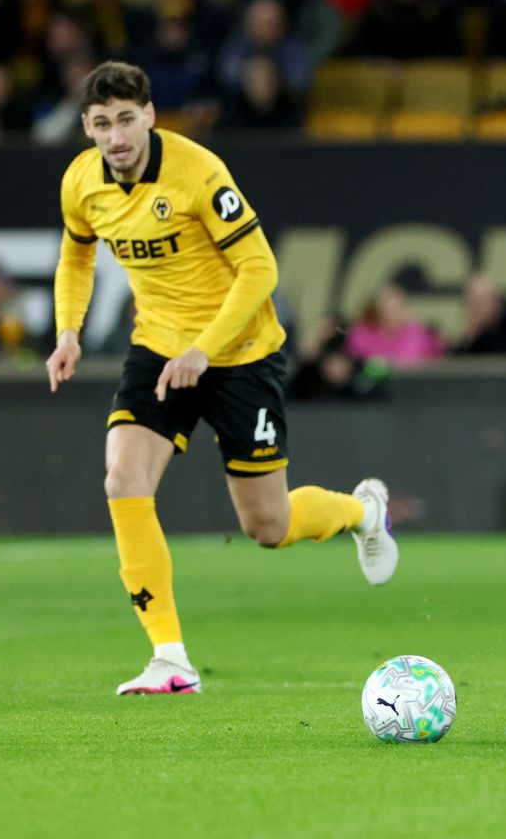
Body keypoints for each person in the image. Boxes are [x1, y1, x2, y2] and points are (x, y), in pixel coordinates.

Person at [45, 61, 399, 696]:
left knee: (267, 528)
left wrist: (206, 350)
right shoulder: (81, 182)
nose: (116, 136)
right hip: (157, 351)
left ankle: (362, 510)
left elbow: (260, 269)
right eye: (102, 124)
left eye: (127, 119)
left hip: (240, 354)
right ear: (87, 128)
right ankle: (170, 657)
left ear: (150, 116)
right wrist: (67, 329)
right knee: (123, 478)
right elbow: (76, 254)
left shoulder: (197, 172)